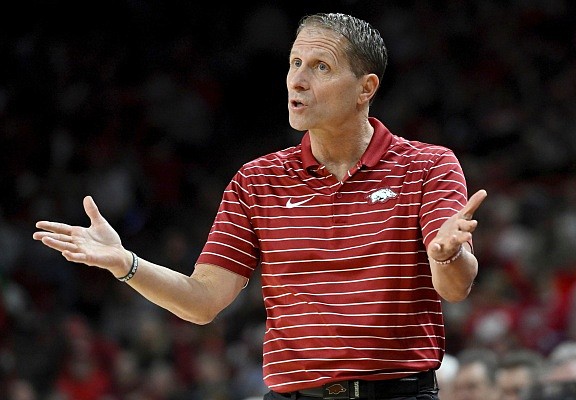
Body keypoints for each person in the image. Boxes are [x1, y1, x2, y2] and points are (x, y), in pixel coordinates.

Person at [33, 12, 487, 400]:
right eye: (294, 63)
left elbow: (454, 287)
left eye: (321, 66)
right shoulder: (257, 180)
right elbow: (203, 301)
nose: (298, 80)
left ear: (365, 87)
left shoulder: (428, 166)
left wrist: (447, 256)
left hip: (400, 392)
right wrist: (126, 264)